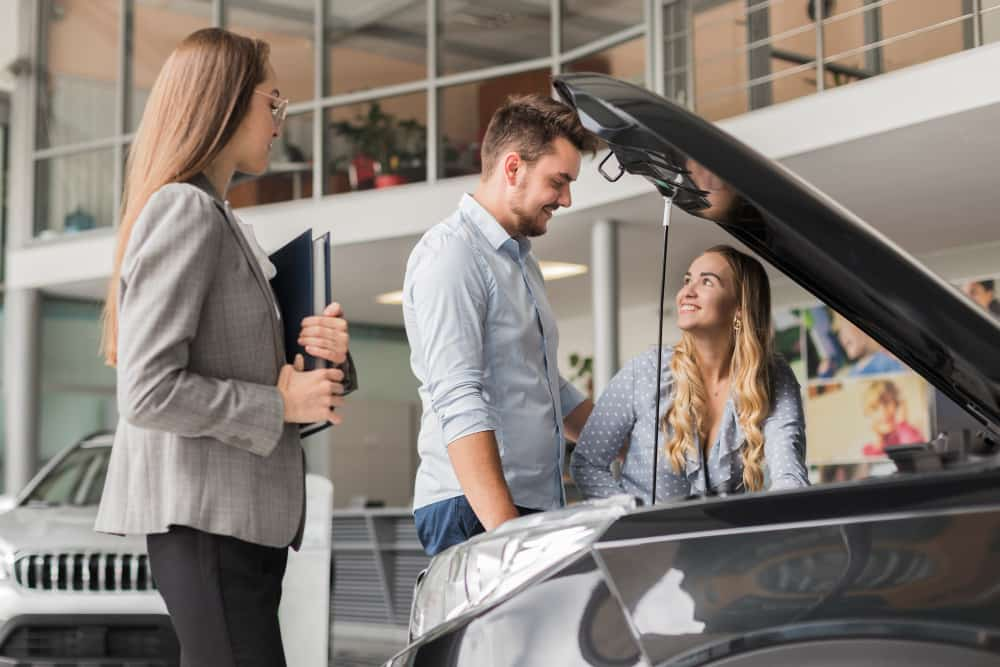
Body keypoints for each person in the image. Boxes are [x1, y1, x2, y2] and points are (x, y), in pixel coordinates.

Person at [94, 28, 353, 667]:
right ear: (228, 101)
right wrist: (278, 404)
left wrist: (328, 361)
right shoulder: (185, 211)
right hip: (209, 524)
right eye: (273, 102)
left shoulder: (219, 217)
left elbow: (256, 368)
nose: (277, 121)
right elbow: (148, 391)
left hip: (233, 523)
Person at [404, 93, 600, 556]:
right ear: (513, 168)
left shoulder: (520, 262)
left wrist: (628, 441)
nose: (567, 199)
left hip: (526, 506)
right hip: (478, 509)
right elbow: (458, 396)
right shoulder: (451, 254)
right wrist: (507, 534)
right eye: (559, 181)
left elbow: (545, 384)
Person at [571, 245, 809, 503]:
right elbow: (588, 463)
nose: (687, 292)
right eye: (687, 280)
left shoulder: (771, 376)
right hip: (643, 539)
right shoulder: (646, 372)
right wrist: (631, 519)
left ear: (739, 307)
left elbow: (789, 474)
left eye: (707, 281)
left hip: (724, 540)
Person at [861, 380, 924, 457]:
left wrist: (902, 424)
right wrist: (878, 440)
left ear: (897, 405)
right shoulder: (869, 448)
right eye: (875, 408)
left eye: (887, 403)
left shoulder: (909, 433)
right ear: (868, 415)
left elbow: (916, 453)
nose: (883, 412)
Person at [830, 312, 904, 377]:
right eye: (838, 333)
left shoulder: (886, 360)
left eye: (844, 328)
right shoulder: (853, 371)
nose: (841, 338)